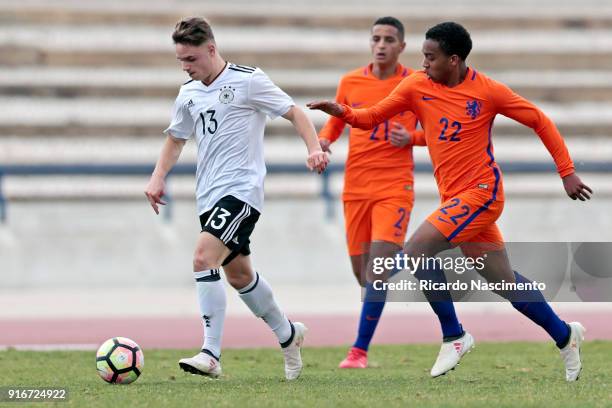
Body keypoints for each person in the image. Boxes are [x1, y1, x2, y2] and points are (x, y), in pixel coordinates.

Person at [309, 21, 592, 381]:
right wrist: (343, 112)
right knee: (504, 282)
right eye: (423, 57)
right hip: (456, 199)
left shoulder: (488, 91)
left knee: (416, 251)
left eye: (431, 58)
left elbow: (539, 119)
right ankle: (566, 336)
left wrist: (566, 171)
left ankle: (454, 335)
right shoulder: (415, 86)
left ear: (454, 60)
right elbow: (373, 116)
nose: (423, 64)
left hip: (482, 193)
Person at [145, 17, 329, 380]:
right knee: (239, 275)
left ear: (211, 50)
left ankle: (210, 354)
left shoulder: (248, 80)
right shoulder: (188, 93)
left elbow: (293, 112)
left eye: (191, 59)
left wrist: (313, 149)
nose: (186, 67)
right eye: (181, 60)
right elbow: (176, 138)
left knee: (202, 257)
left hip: (242, 191)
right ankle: (288, 335)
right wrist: (157, 177)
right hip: (208, 196)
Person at [318, 16, 426, 369]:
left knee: (376, 272)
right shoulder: (350, 81)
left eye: (389, 39)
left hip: (395, 187)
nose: (381, 44)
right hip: (355, 188)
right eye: (376, 38)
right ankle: (411, 258)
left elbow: (439, 130)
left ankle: (358, 352)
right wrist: (322, 142)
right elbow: (337, 121)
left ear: (402, 47)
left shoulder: (415, 83)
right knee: (362, 276)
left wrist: (411, 138)